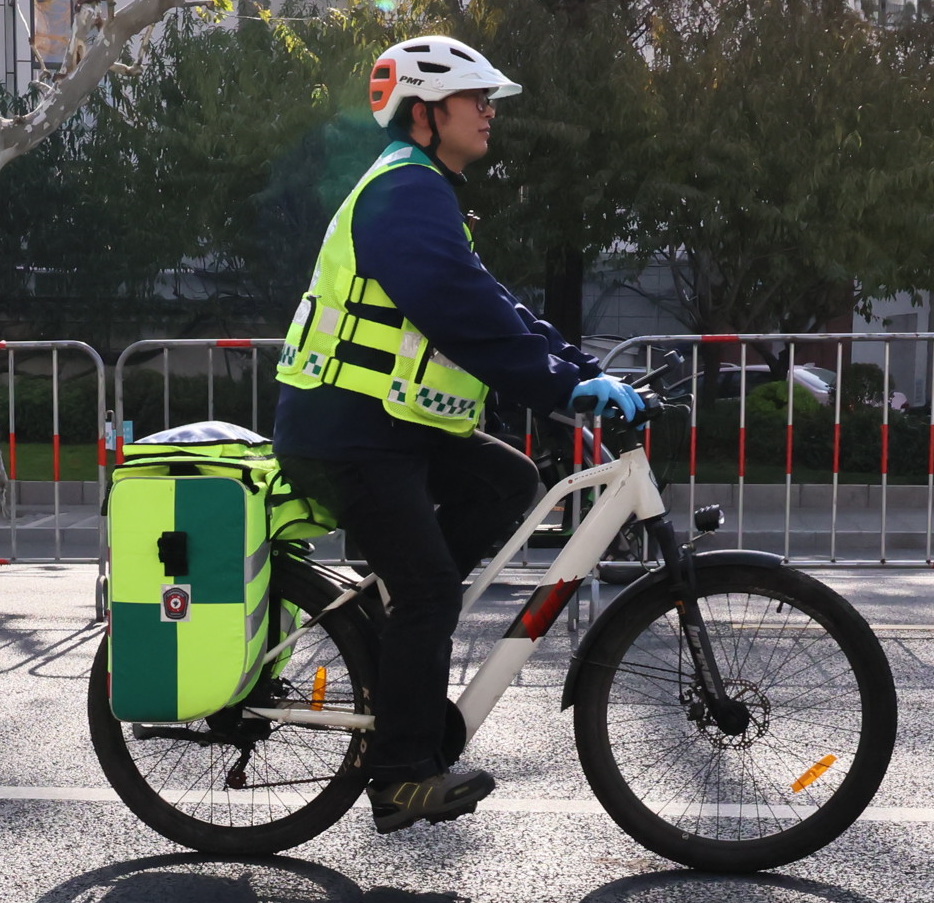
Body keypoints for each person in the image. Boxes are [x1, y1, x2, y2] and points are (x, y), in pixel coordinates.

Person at [273, 35, 643, 835]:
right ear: (426, 113)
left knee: (508, 483)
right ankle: (402, 774)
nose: (489, 112)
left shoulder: (426, 192)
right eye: (475, 99)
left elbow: (493, 303)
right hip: (346, 431)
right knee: (434, 587)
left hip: (388, 426)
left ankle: (398, 622)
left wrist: (577, 367)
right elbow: (458, 312)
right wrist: (558, 387)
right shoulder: (403, 192)